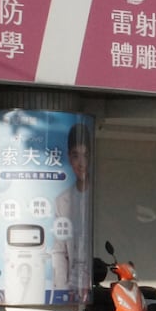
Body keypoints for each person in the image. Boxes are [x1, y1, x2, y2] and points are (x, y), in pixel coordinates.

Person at [50, 122, 92, 301]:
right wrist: (62, 288)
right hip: (72, 283)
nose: (81, 163)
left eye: (85, 155)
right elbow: (59, 250)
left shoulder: (98, 193)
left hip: (93, 278)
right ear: (68, 157)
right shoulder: (62, 200)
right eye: (75, 156)